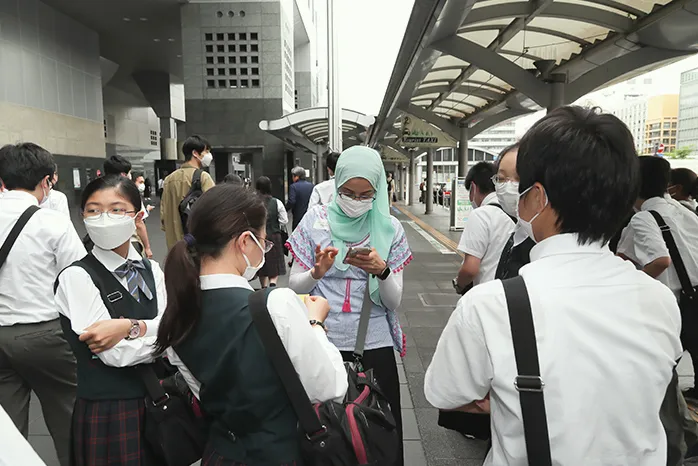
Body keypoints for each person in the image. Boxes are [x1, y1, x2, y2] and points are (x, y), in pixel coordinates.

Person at [425, 106, 682, 465]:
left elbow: (445, 392)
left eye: (520, 186)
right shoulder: (660, 299)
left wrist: (505, 396)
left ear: (537, 198)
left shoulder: (491, 305)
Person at [154, 184, 347, 465]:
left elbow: (204, 395)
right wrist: (315, 324)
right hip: (282, 454)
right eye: (264, 242)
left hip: (222, 454)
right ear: (245, 241)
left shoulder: (177, 316)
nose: (264, 251)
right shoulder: (274, 304)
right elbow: (331, 389)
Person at [287, 145, 413, 466]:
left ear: (378, 191)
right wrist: (317, 271)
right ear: (336, 183)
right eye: (348, 192)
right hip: (321, 340)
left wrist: (381, 271)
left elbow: (392, 300)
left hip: (374, 346)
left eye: (365, 194)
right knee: (324, 439)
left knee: (379, 438)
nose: (356, 201)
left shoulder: (388, 228)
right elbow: (294, 285)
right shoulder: (315, 222)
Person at [54, 175, 166, 465]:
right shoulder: (76, 277)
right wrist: (169, 337)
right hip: (109, 409)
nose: (104, 218)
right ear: (83, 217)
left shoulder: (151, 269)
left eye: (117, 209)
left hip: (158, 402)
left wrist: (131, 328)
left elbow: (171, 326)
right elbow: (116, 355)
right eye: (94, 210)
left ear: (138, 215)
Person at [0, 142, 86, 466]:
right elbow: (78, 281)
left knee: (6, 434)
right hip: (46, 334)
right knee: (68, 420)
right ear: (47, 180)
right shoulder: (53, 223)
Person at [618, 156, 698, 397]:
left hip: (677, 302)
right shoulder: (682, 210)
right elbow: (626, 253)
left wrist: (636, 283)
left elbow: (660, 260)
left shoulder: (644, 217)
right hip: (694, 295)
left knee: (661, 368)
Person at [453, 161, 516, 292]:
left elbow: (470, 269)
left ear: (473, 188)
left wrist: (459, 284)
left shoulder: (481, 215)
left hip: (488, 295)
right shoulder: (516, 211)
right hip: (513, 293)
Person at [161, 135, 216, 250]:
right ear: (195, 153)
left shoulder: (169, 179)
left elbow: (163, 217)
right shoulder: (203, 177)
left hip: (174, 248)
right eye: (206, 151)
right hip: (196, 245)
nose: (208, 155)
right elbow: (214, 211)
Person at [103, 156, 154, 259]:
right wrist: (147, 247)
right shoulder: (130, 193)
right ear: (123, 174)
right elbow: (139, 224)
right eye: (129, 173)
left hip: (104, 243)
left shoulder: (98, 193)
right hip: (129, 243)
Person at [255, 176, 288, 288]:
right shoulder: (276, 202)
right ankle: (273, 284)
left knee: (261, 261)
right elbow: (284, 220)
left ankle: (263, 286)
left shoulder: (253, 202)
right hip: (274, 235)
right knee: (274, 262)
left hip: (258, 236)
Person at [286, 166, 314, 231]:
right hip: (309, 216)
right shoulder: (311, 186)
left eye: (293, 176)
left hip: (298, 217)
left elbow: (291, 201)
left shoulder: (293, 187)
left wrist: (285, 209)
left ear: (297, 176)